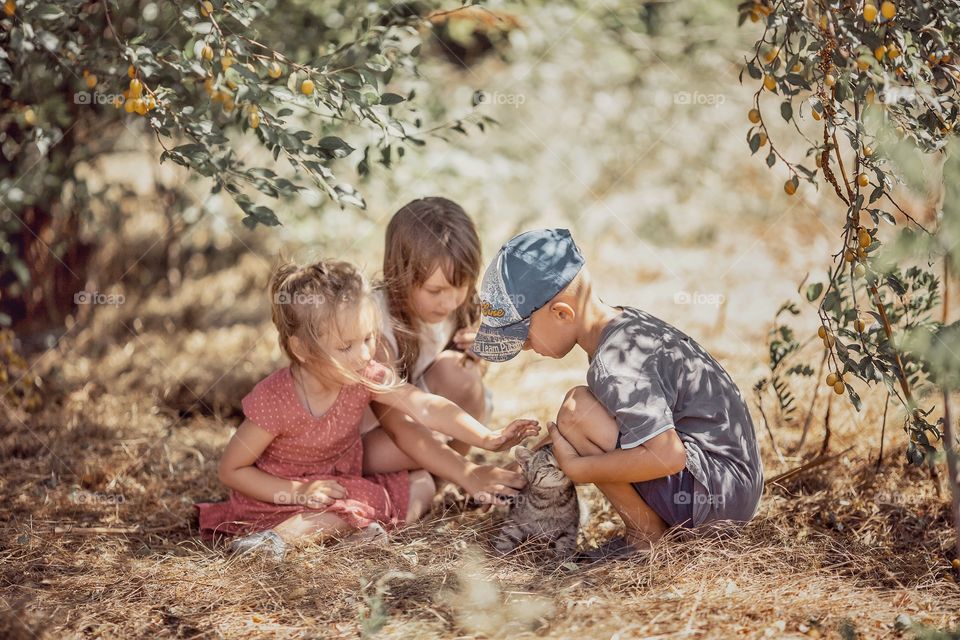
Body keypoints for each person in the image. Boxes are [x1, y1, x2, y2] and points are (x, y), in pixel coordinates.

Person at [196, 258, 540, 558]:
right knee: (349, 505)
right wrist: (300, 491)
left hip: (337, 483)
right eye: (346, 345)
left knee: (420, 484)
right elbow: (232, 470)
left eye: (368, 338)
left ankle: (350, 537)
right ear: (301, 349)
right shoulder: (277, 399)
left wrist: (488, 438)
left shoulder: (362, 374)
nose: (363, 355)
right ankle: (273, 542)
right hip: (275, 497)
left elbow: (425, 408)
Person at [471, 228, 764, 560]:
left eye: (524, 335)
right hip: (731, 488)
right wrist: (534, 459)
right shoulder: (625, 328)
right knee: (575, 417)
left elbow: (669, 456)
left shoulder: (615, 363)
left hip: (713, 497)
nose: (525, 347)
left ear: (563, 314)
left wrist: (580, 469)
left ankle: (646, 538)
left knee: (575, 411)